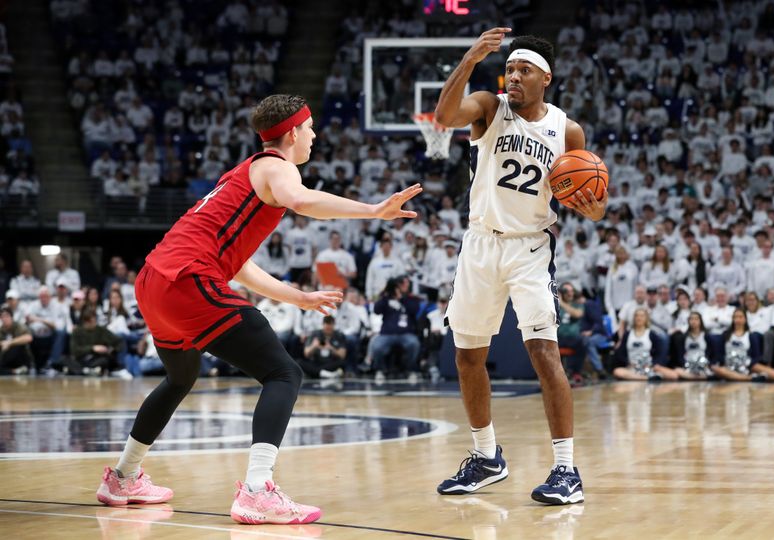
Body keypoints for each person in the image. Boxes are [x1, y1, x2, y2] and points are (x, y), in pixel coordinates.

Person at [95, 94, 422, 525]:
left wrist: (299, 297)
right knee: (284, 372)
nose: (314, 135)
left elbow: (240, 266)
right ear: (291, 133)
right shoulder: (277, 167)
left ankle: (123, 477)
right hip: (188, 278)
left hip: (155, 280)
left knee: (180, 377)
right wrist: (372, 211)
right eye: (309, 129)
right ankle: (256, 491)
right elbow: (302, 201)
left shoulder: (241, 175)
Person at [434, 30, 607, 504]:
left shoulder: (567, 131)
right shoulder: (489, 106)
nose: (513, 76)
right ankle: (487, 457)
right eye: (509, 68)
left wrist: (594, 210)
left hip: (530, 247)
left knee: (543, 352)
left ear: (545, 78)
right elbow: (444, 116)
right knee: (467, 355)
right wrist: (470, 57)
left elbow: (590, 201)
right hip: (479, 244)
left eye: (523, 70)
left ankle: (566, 470)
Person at [710, 308, 774, 382]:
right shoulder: (725, 335)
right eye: (735, 317)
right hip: (729, 365)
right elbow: (720, 354)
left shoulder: (751, 336)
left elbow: (756, 356)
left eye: (740, 317)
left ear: (745, 319)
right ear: (732, 319)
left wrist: (749, 365)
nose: (738, 319)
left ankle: (733, 377)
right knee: (716, 368)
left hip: (747, 365)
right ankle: (749, 378)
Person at [612, 308, 676, 381]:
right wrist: (628, 362)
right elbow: (620, 353)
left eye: (642, 316)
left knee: (673, 375)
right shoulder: (627, 334)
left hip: (648, 367)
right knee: (617, 372)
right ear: (634, 318)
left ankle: (644, 376)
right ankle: (647, 378)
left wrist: (653, 364)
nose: (639, 318)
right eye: (637, 316)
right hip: (632, 367)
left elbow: (660, 353)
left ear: (646, 318)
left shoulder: (652, 334)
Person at [674, 312, 712, 380]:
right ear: (688, 321)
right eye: (691, 319)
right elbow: (680, 356)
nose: (693, 321)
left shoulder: (706, 336)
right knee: (677, 370)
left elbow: (710, 353)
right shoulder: (683, 337)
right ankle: (699, 378)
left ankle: (694, 377)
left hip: (703, 366)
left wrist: (705, 364)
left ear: (701, 321)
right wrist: (685, 365)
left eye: (696, 319)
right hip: (688, 366)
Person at [0, 305, 33, 374]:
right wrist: (2, 343)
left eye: (6, 316)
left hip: (20, 357)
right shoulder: (1, 330)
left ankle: (21, 369)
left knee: (18, 346)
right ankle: (14, 371)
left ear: (11, 317)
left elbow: (28, 338)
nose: (4, 319)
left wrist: (9, 343)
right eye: (2, 317)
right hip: (7, 357)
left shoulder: (18, 326)